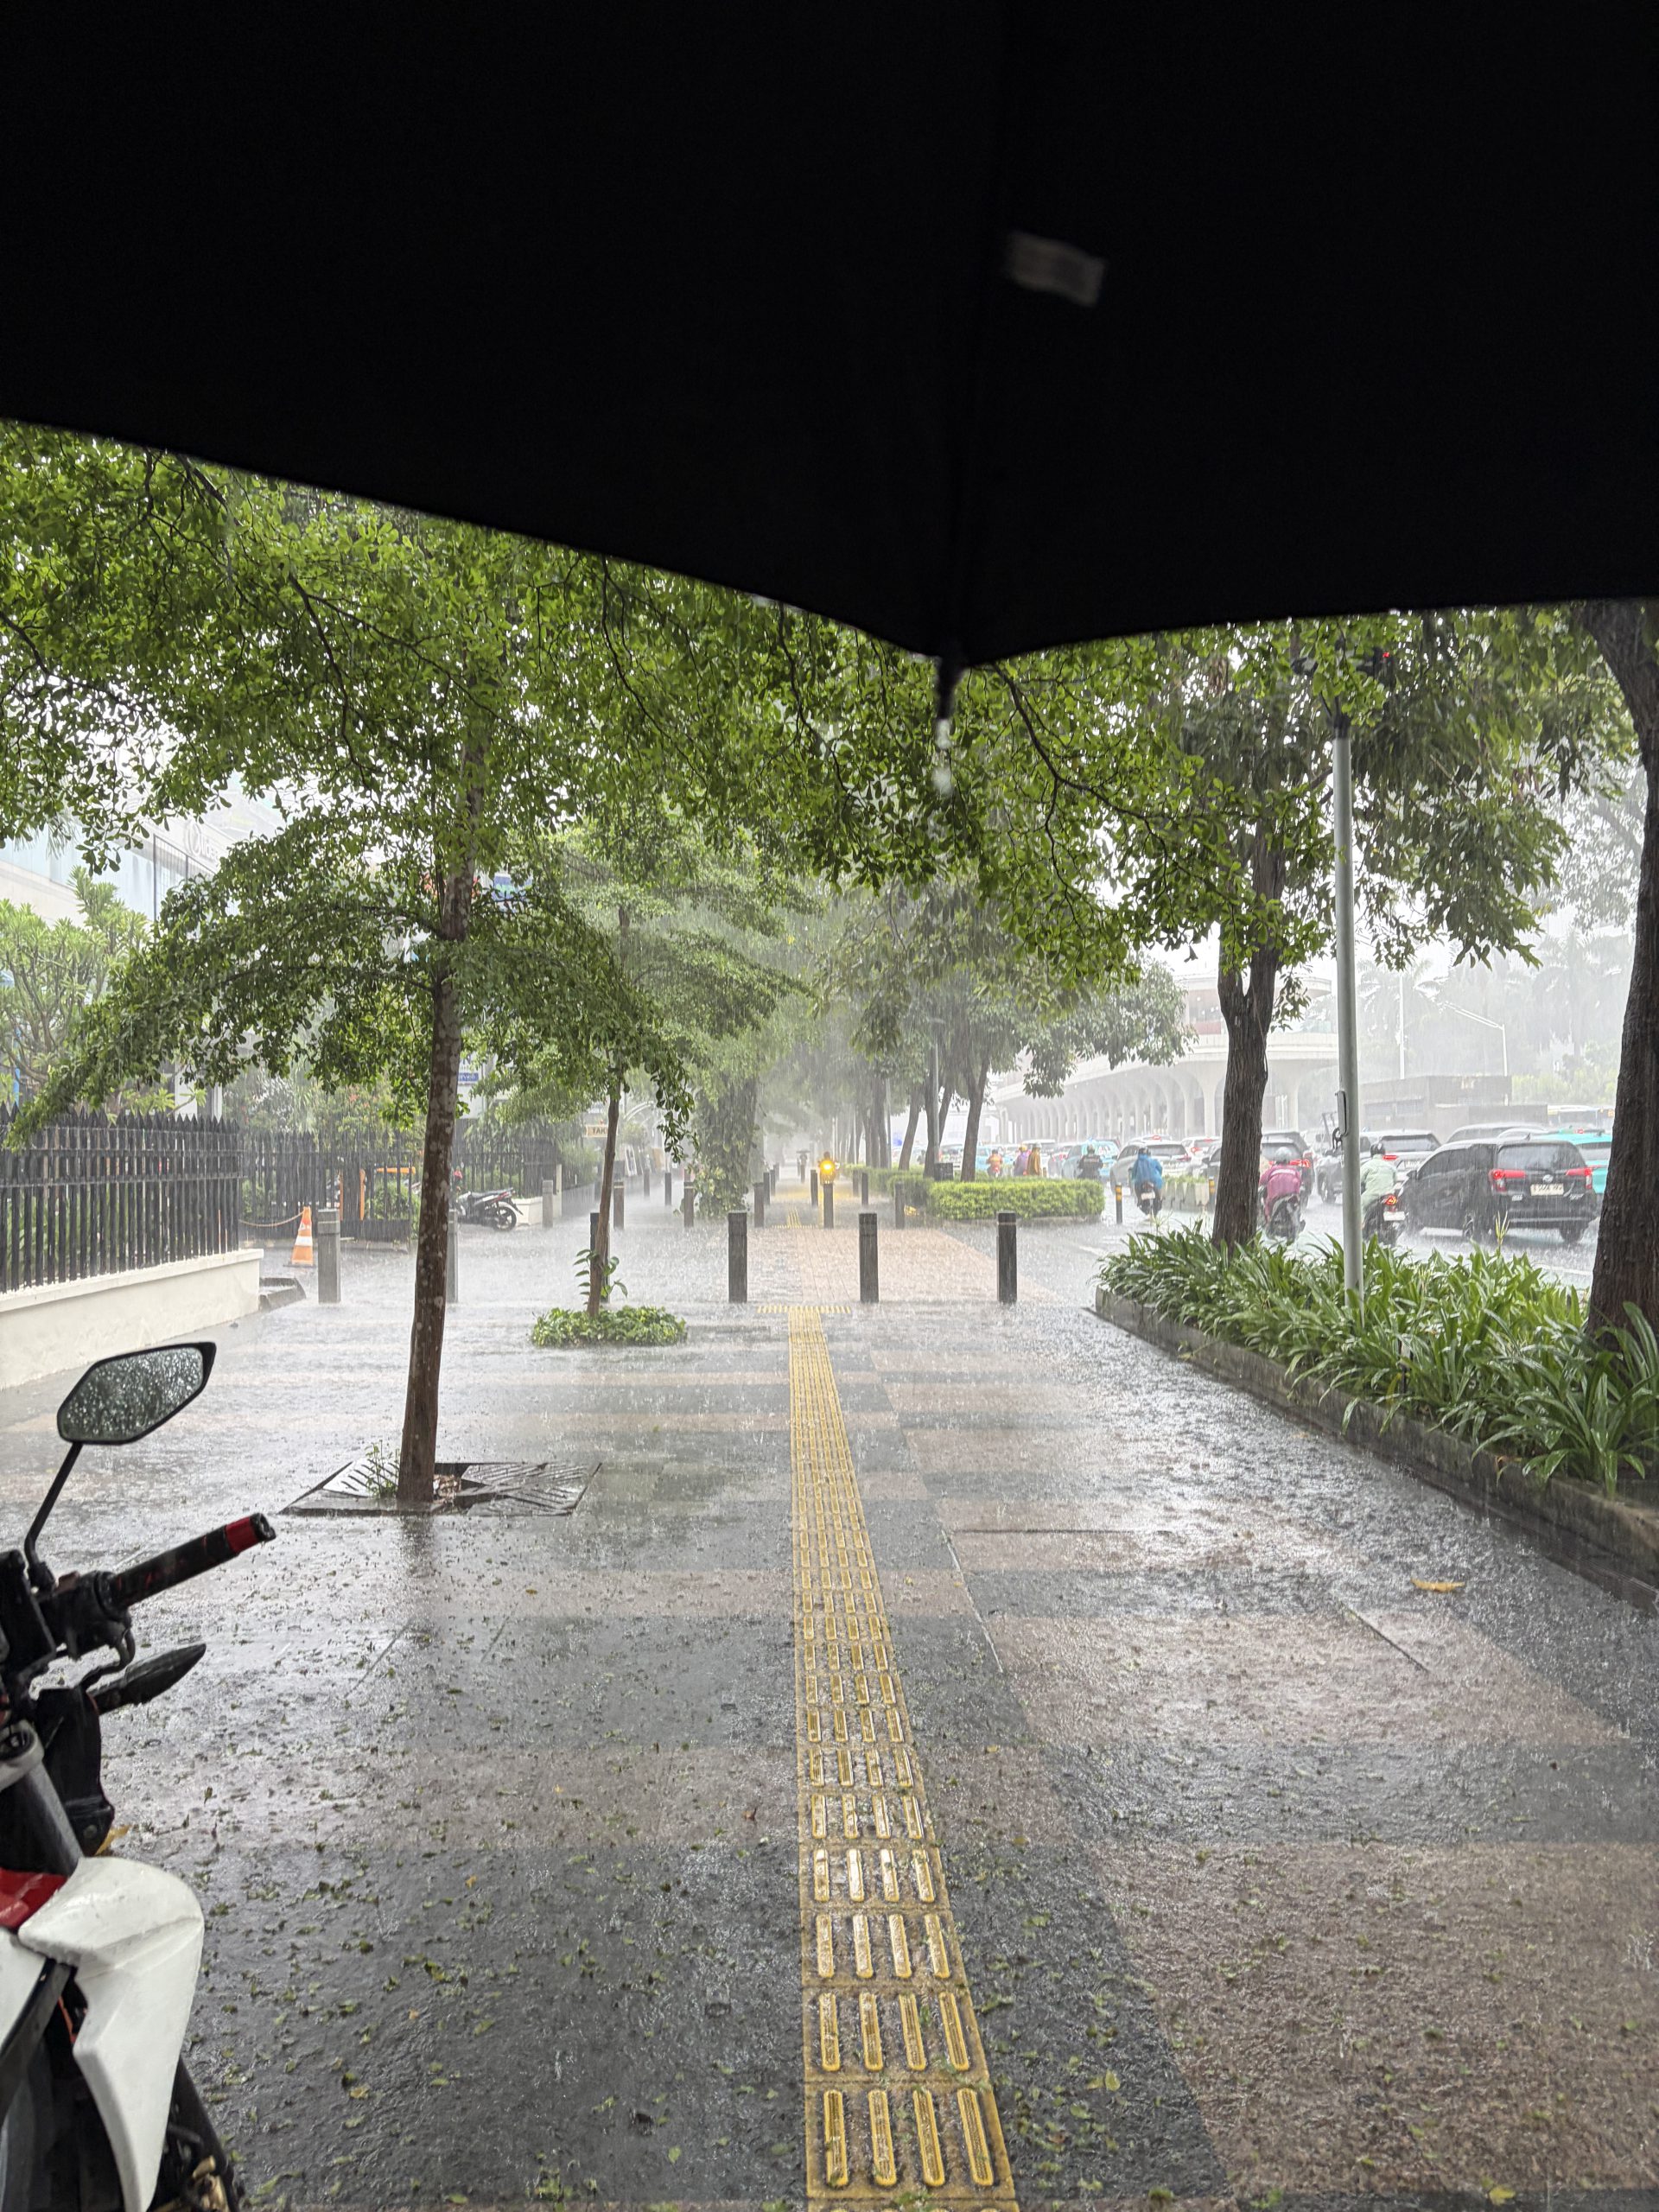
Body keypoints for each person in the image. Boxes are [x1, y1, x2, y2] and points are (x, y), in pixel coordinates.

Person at [1259, 1146, 1303, 1230]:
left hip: (1275, 1198)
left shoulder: (1272, 1170)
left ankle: (1268, 1221)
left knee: (1267, 1205)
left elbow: (1262, 1181)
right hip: (1292, 1197)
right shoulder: (1294, 1171)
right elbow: (1300, 1182)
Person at [1132, 1144, 1163, 1217]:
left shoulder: (1137, 1162)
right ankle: (1160, 1200)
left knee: (1136, 1188)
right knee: (1159, 1190)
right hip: (1154, 1181)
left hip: (1141, 1182)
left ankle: (1139, 1200)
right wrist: (1159, 1174)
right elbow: (1160, 1168)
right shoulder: (1153, 1161)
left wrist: (1133, 1178)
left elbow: (1133, 1173)